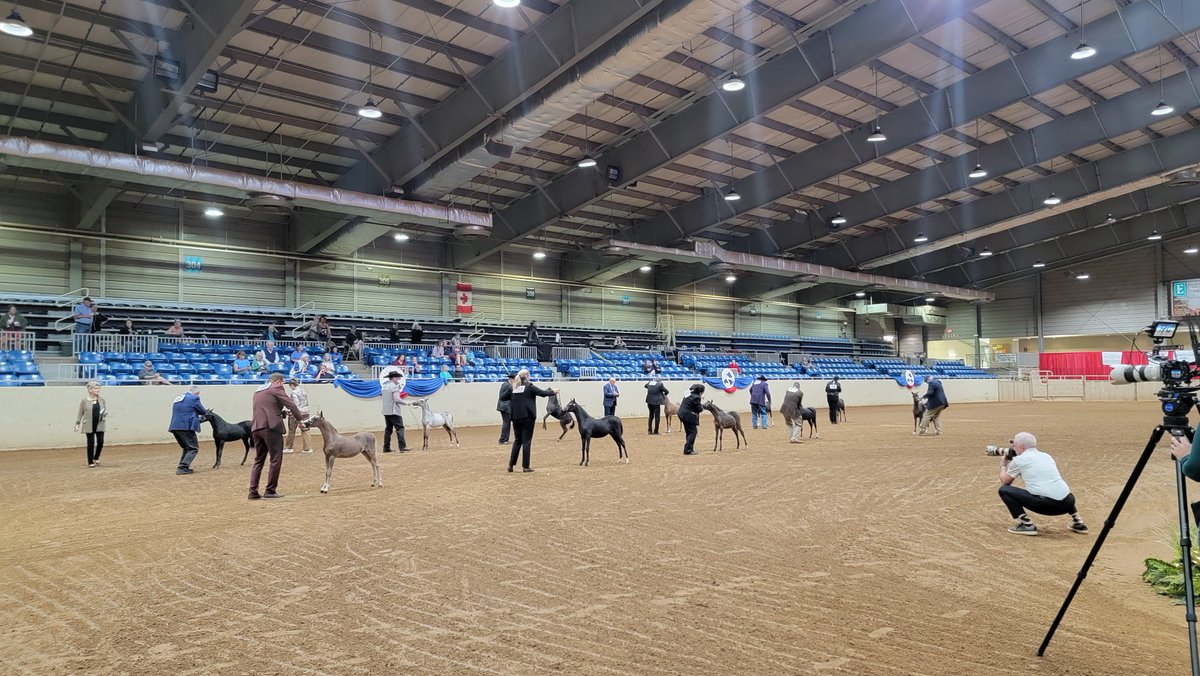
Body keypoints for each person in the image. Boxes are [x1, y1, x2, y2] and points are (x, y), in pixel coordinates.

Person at [999, 432, 1088, 536]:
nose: (1013, 449)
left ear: (1021, 447)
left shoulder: (1019, 460)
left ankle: (1027, 525)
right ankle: (1078, 522)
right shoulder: (1046, 456)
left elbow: (1006, 481)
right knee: (1057, 487)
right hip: (1069, 503)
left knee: (1004, 490)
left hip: (1047, 506)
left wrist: (1003, 466)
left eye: (1014, 446)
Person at [249, 372, 304, 499]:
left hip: (257, 427)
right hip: (271, 428)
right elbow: (291, 404)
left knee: (258, 460)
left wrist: (283, 413)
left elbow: (267, 408)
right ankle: (270, 490)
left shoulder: (258, 391)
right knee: (275, 459)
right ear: (278, 381)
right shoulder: (276, 388)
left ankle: (252, 491)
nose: (283, 385)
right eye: (283, 382)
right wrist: (300, 419)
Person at [500, 369, 558, 472]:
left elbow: (502, 397)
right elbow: (543, 393)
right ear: (527, 376)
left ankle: (511, 465)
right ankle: (525, 467)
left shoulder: (513, 387)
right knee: (526, 441)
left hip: (516, 417)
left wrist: (513, 391)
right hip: (528, 417)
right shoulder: (529, 386)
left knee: (517, 441)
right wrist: (554, 391)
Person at [169, 385, 209, 475]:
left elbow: (185, 411)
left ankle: (183, 467)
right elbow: (203, 411)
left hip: (175, 427)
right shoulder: (194, 398)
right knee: (193, 448)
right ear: (197, 393)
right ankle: (182, 468)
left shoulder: (178, 398)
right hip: (186, 427)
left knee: (187, 448)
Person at [74, 381, 107, 467]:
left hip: (100, 424)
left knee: (101, 442)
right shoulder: (84, 401)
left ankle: (96, 457)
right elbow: (80, 412)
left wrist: (104, 413)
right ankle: (90, 461)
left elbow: (104, 410)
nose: (98, 390)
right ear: (90, 389)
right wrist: (77, 423)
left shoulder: (102, 400)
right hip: (88, 424)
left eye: (98, 388)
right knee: (91, 443)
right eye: (96, 388)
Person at [381, 371, 411, 453]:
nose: (398, 379)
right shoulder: (394, 387)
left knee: (388, 429)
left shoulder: (384, 386)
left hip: (386, 410)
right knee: (400, 428)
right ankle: (402, 446)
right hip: (394, 411)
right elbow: (397, 399)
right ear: (393, 378)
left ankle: (386, 447)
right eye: (397, 378)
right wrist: (406, 403)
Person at [283, 378, 314, 454]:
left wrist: (289, 411)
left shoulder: (294, 393)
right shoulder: (303, 391)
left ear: (292, 385)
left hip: (297, 413)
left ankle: (289, 447)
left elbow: (295, 405)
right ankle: (307, 448)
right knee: (305, 429)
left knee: (291, 430)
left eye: (290, 386)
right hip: (306, 412)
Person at [679, 383, 705, 455]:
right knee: (693, 432)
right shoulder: (697, 397)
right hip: (687, 415)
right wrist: (702, 406)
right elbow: (699, 409)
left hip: (682, 413)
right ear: (700, 392)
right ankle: (687, 450)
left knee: (689, 432)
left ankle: (690, 448)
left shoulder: (688, 393)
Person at [496, 372, 515, 445]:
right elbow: (502, 396)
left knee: (507, 423)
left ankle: (505, 439)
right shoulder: (506, 385)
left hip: (506, 407)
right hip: (505, 407)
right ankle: (503, 439)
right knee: (506, 423)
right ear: (511, 379)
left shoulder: (508, 385)